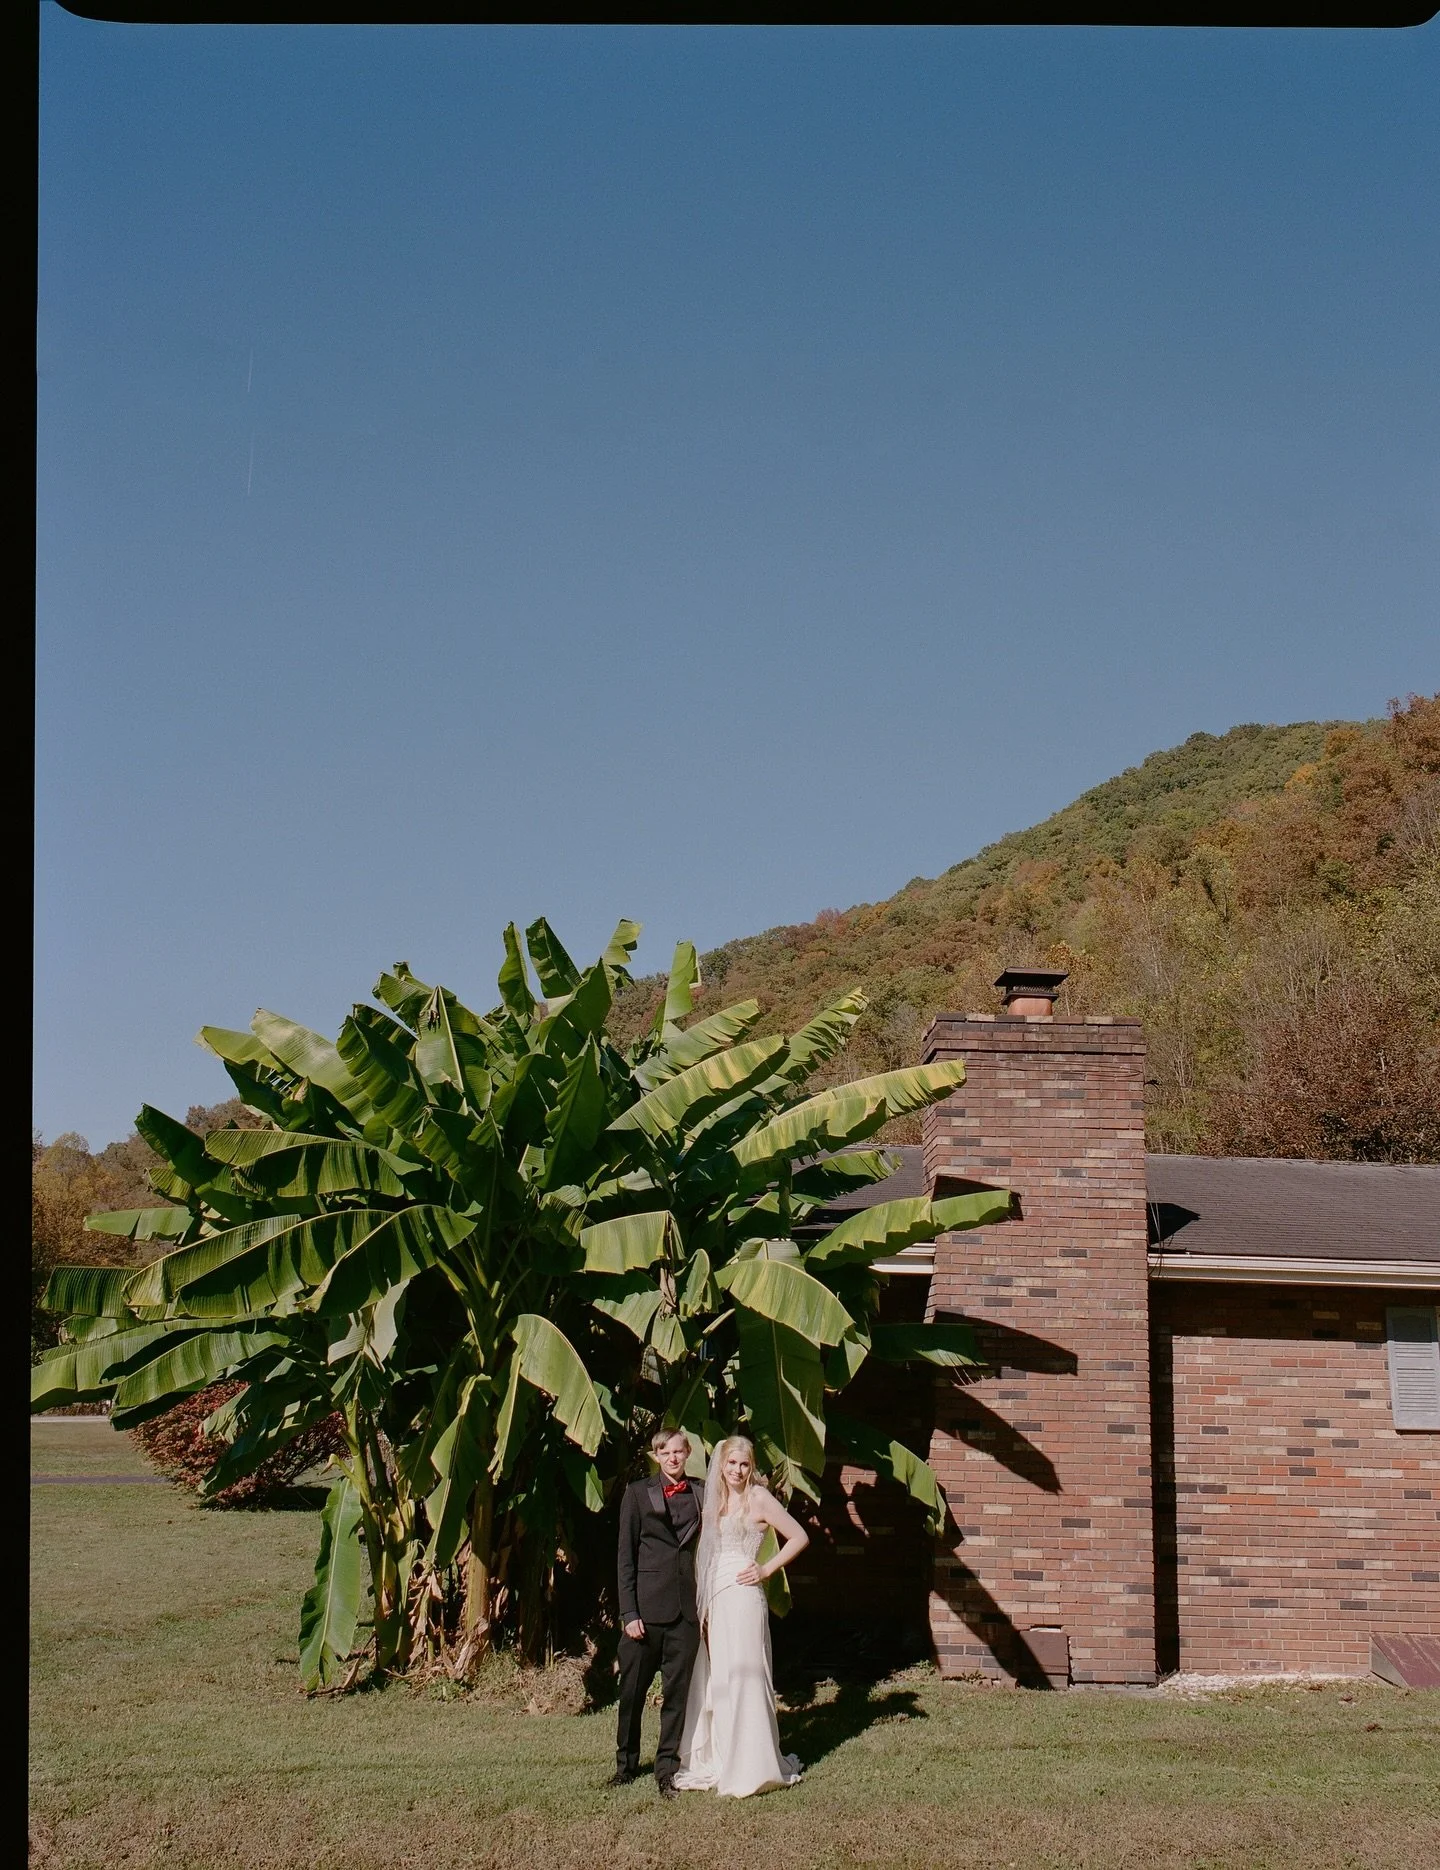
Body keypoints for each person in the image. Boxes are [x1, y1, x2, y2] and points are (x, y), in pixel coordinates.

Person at [672, 1435, 810, 1798]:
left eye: (744, 1464)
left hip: (746, 1597)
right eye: (732, 1463)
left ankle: (754, 1763)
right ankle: (724, 1755)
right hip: (718, 1597)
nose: (737, 1470)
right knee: (722, 1674)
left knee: (748, 1673)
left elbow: (799, 1536)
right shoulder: (713, 1502)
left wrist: (765, 1570)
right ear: (722, 1464)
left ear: (752, 1467)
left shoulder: (759, 1498)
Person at [611, 1426, 703, 1798]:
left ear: (688, 1452)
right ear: (656, 1456)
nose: (673, 1459)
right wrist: (628, 1612)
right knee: (631, 1694)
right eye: (665, 1454)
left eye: (679, 1452)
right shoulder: (636, 1494)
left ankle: (667, 1770)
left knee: (675, 1697)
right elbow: (625, 1558)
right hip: (644, 1615)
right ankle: (625, 1766)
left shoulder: (701, 1492)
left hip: (686, 1613)